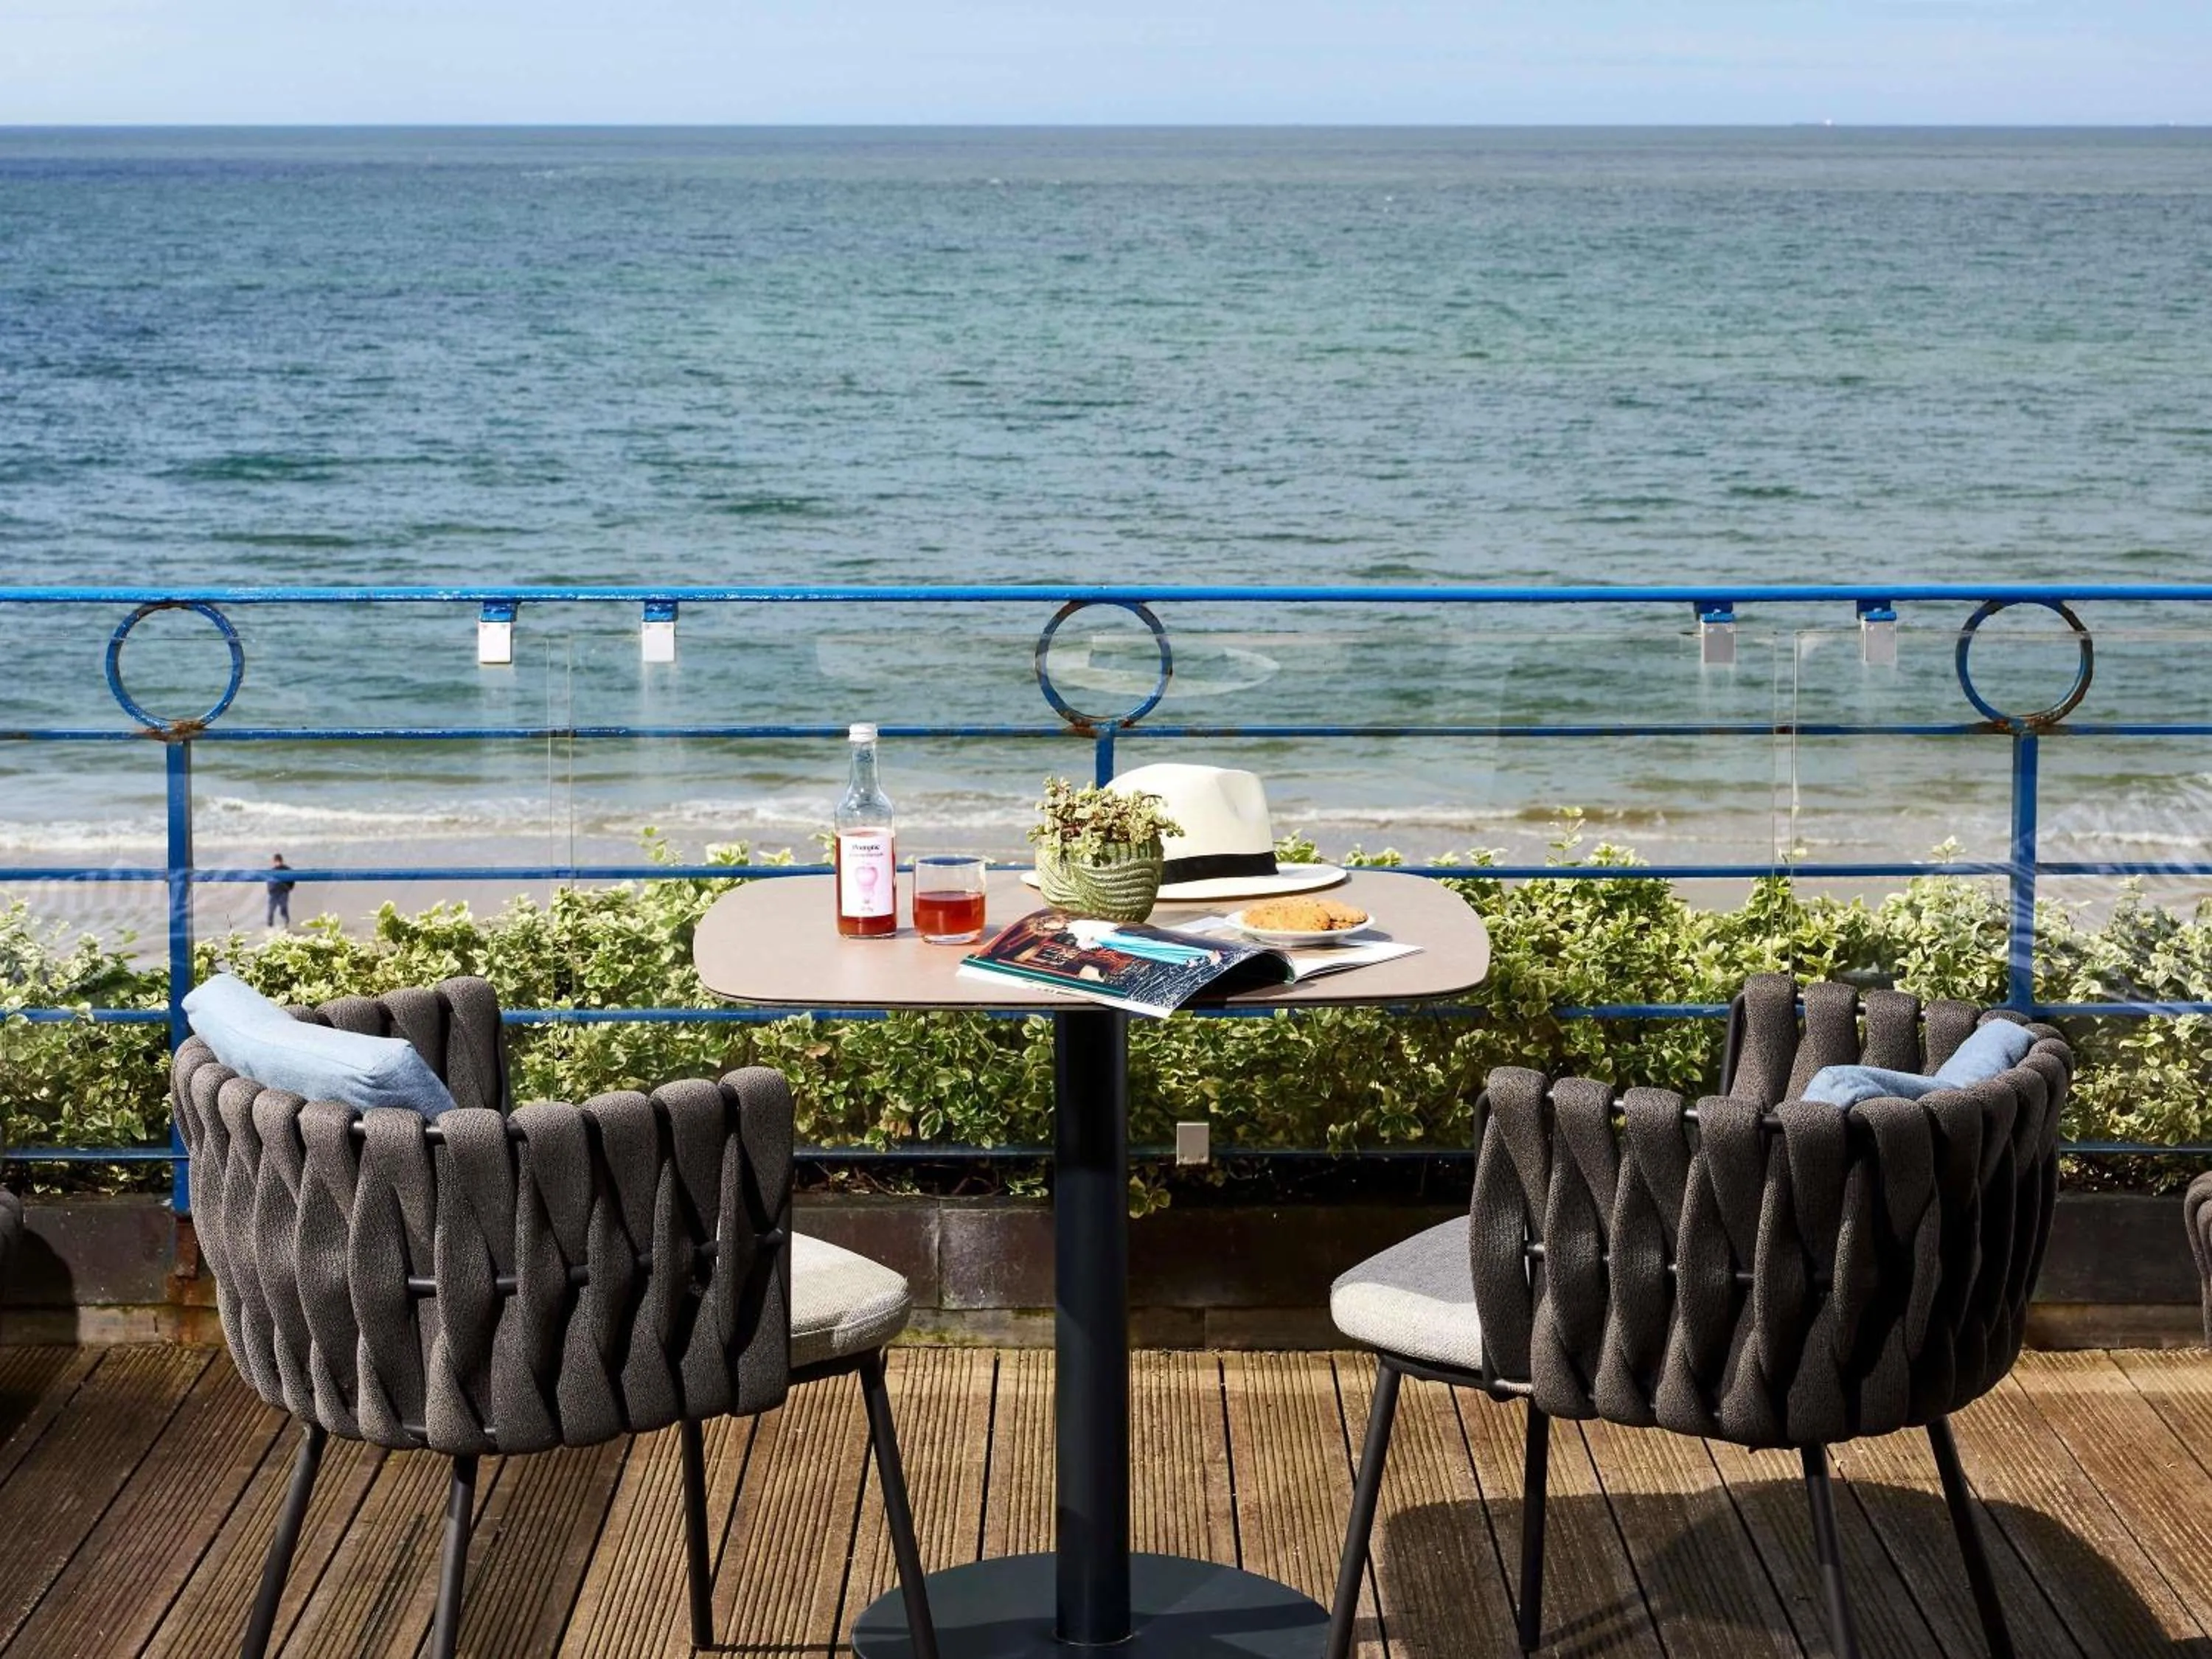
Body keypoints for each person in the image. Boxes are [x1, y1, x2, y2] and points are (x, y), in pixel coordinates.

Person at [265, 854, 296, 929]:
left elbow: (293, 879)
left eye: (279, 861)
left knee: (283, 909)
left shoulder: (287, 869)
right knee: (271, 911)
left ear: (281, 861)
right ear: (274, 862)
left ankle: (286, 926)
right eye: (276, 861)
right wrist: (270, 890)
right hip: (274, 893)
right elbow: (269, 882)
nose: (278, 863)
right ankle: (270, 927)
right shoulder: (273, 871)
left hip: (283, 892)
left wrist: (289, 888)